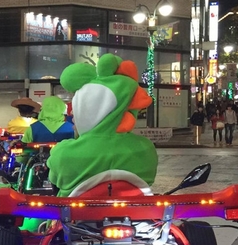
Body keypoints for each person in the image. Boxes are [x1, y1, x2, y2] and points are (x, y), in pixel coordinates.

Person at [46, 53, 157, 197]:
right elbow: (149, 181)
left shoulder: (63, 154)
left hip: (78, 217)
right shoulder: (146, 149)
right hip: (134, 217)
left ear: (85, 111)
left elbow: (55, 180)